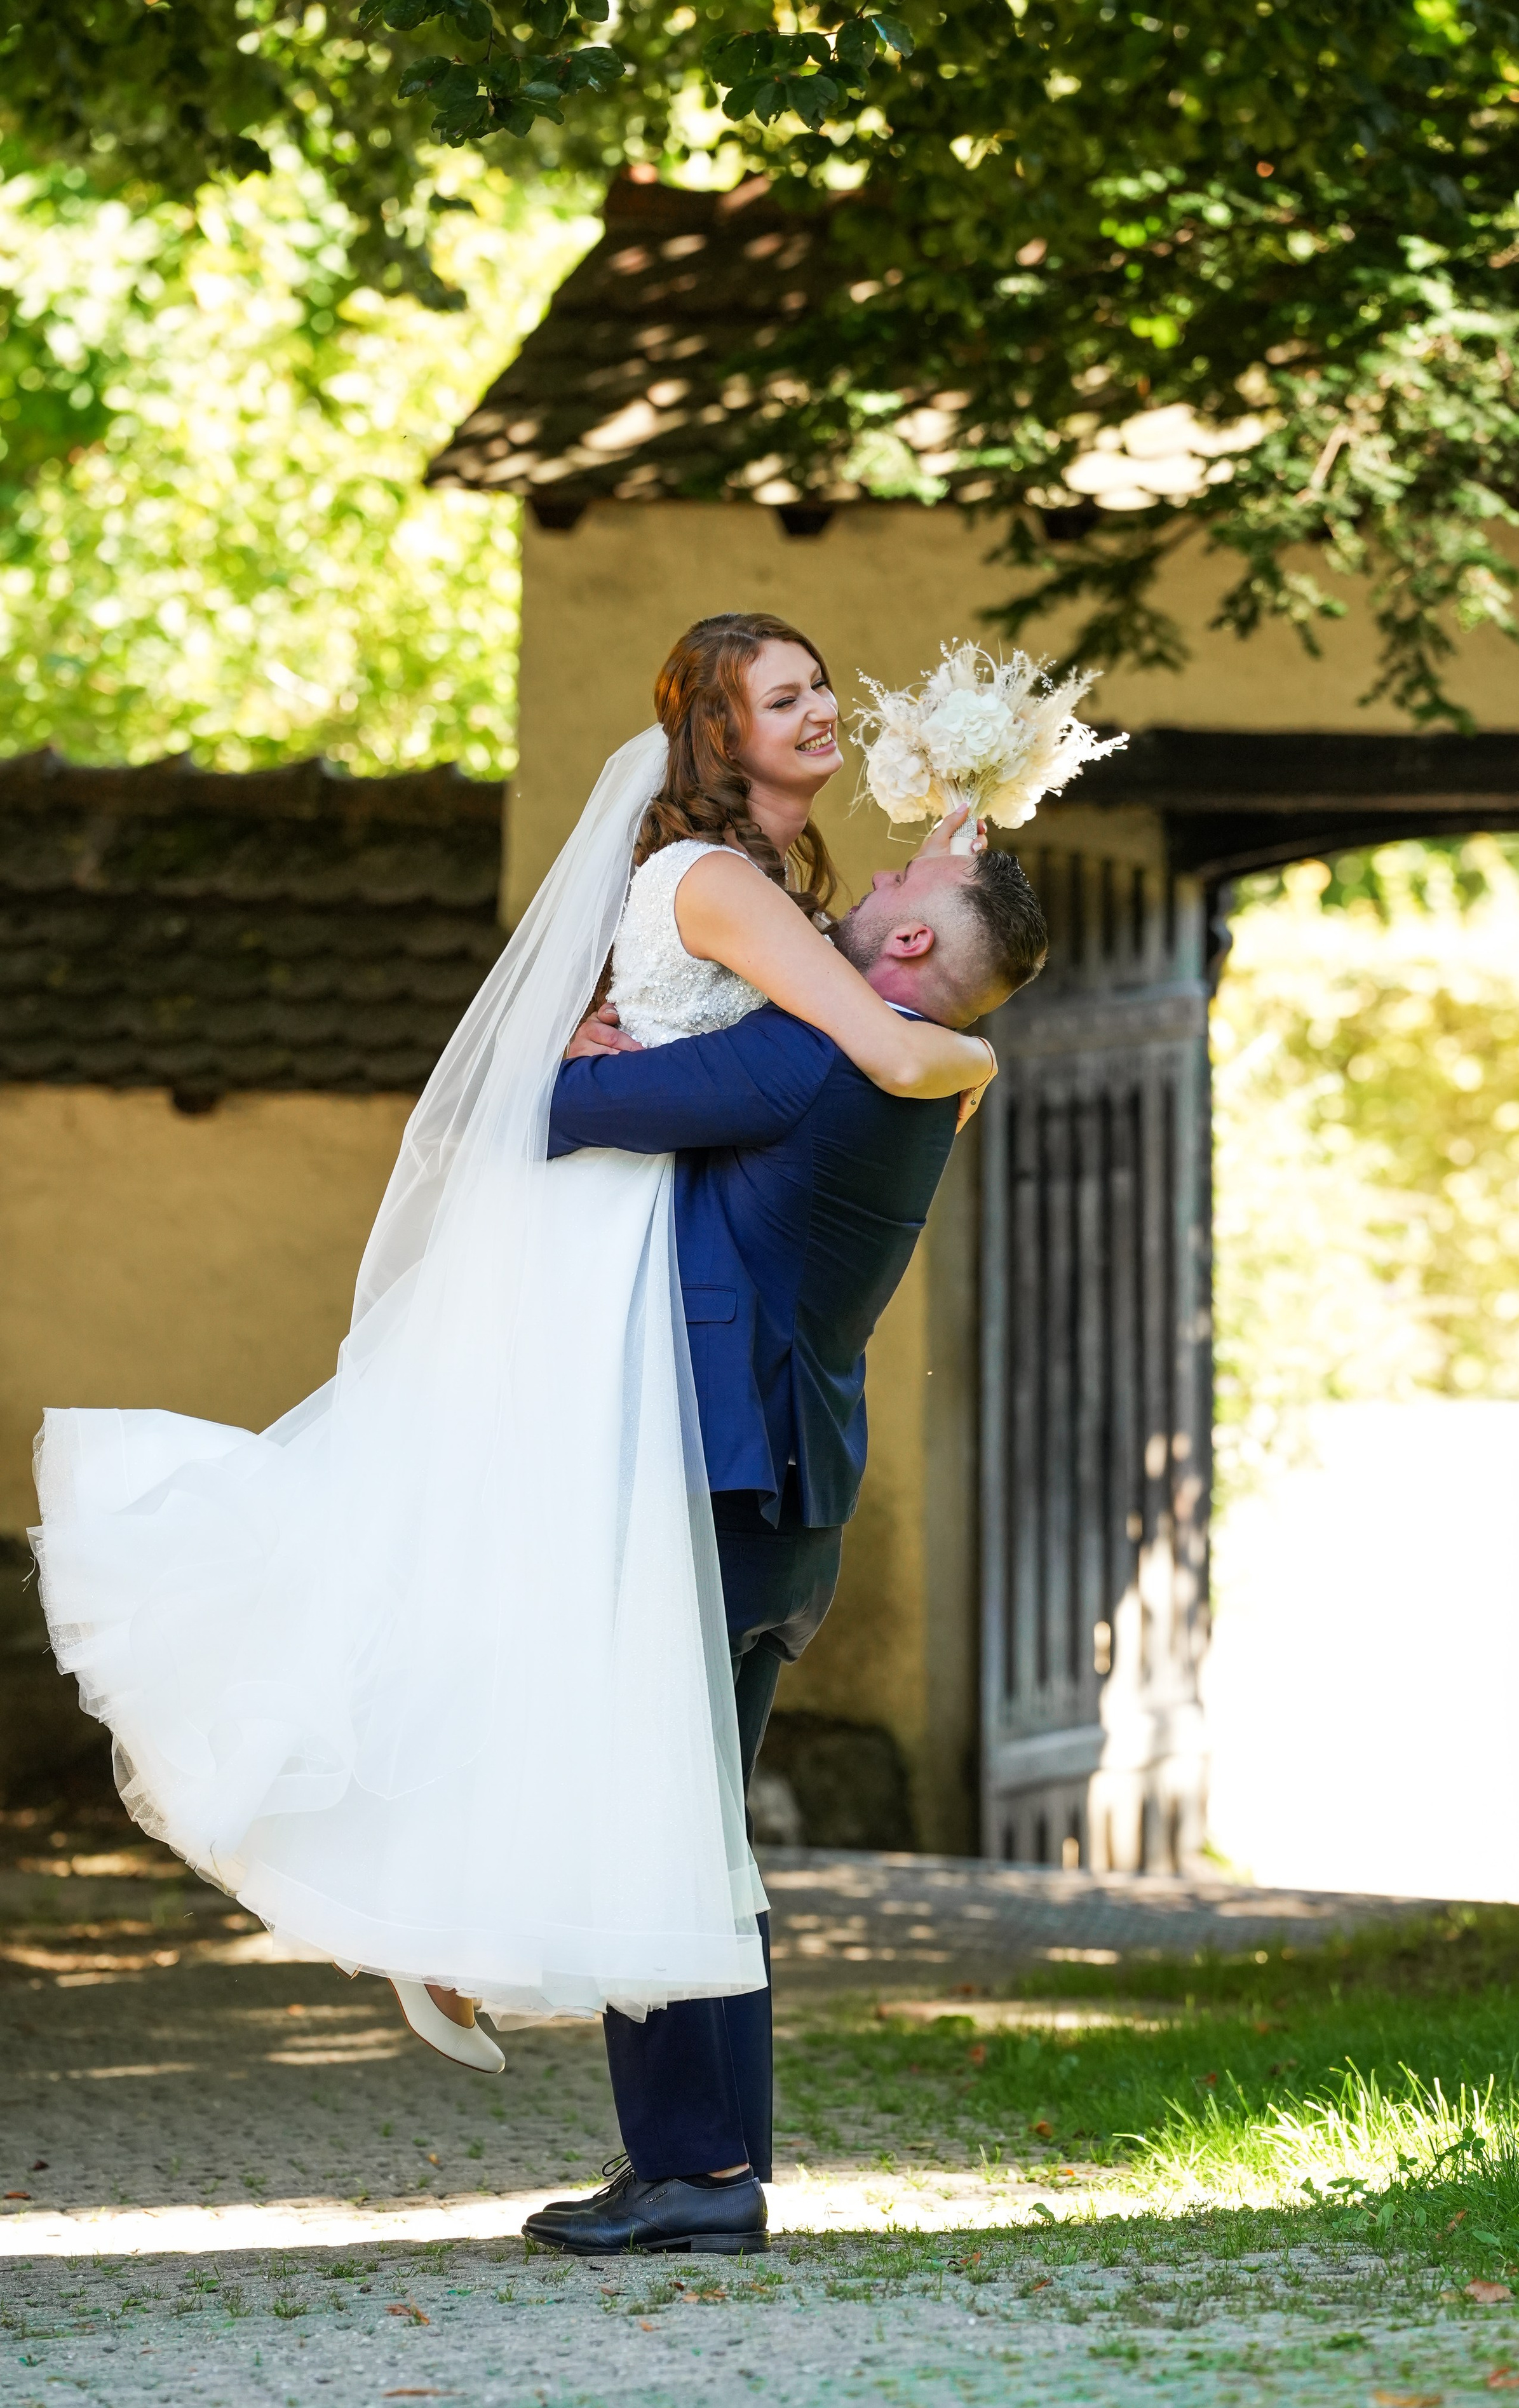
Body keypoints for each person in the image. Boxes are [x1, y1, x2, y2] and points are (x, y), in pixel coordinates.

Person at [27, 611, 1001, 2077]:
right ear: (718, 734)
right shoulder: (720, 883)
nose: (820, 713)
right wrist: (972, 1047)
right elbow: (872, 1042)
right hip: (601, 1241)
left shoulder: (769, 890)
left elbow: (824, 1018)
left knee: (526, 1625)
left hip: (634, 1235)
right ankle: (465, 1914)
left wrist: (949, 842)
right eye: (783, 696)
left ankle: (469, 1916)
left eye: (819, 690)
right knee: (507, 1603)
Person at [517, 633, 1050, 2257]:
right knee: (706, 1817)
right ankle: (712, 2160)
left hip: (711, 1474)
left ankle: (693, 2171)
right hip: (788, 1493)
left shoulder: (799, 1051)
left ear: (890, 946)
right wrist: (962, 852)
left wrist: (585, 1055)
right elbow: (909, 937)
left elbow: (544, 1113)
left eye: (888, 888)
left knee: (657, 1812)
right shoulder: (922, 1070)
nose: (868, 876)